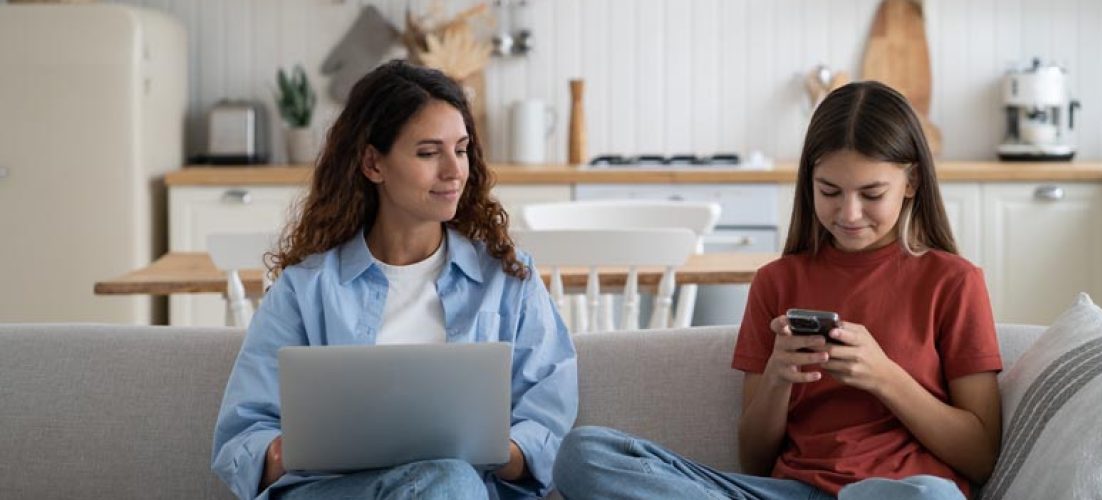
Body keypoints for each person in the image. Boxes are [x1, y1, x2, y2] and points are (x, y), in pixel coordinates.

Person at [553, 81, 1003, 500]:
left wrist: (884, 376)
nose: (849, 212)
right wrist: (778, 376)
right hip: (790, 491)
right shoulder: (777, 281)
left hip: (897, 490)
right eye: (829, 191)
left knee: (931, 496)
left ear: (912, 183)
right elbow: (755, 460)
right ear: (809, 183)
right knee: (582, 453)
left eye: (871, 193)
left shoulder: (954, 282)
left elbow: (980, 456)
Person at [211, 60, 578, 500]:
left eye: (460, 149)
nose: (454, 170)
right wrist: (296, 449)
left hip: (465, 491)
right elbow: (242, 435)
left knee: (453, 481)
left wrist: (495, 448)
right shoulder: (307, 288)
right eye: (428, 152)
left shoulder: (507, 278)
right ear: (372, 163)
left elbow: (548, 424)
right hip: (337, 493)